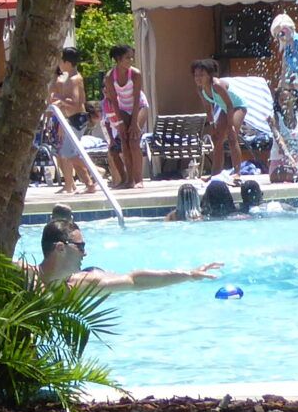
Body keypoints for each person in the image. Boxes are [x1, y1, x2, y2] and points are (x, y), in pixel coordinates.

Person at [35, 219, 221, 293]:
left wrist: (189, 275)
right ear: (60, 248)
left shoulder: (78, 287)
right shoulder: (23, 277)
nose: (85, 252)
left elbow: (134, 280)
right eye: (81, 246)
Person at [99, 44, 148, 188]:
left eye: (132, 57)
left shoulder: (135, 74)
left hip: (139, 106)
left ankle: (139, 180)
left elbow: (137, 97)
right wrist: (120, 122)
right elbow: (113, 101)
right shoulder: (110, 77)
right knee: (124, 141)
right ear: (118, 59)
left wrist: (134, 123)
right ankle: (129, 180)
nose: (131, 60)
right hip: (121, 108)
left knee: (133, 140)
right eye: (127, 57)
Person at [48, 47, 91, 194]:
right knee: (69, 153)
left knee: (69, 153)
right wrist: (59, 103)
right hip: (70, 118)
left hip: (78, 119)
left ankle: (94, 173)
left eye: (60, 60)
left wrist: (59, 99)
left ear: (66, 62)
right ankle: (89, 183)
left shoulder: (74, 79)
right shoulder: (67, 77)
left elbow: (76, 102)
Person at [192, 58, 245, 175]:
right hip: (225, 109)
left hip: (237, 107)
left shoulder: (217, 85)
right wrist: (212, 124)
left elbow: (230, 104)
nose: (198, 78)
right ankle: (215, 174)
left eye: (201, 75)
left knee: (232, 138)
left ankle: (237, 173)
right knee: (216, 139)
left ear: (210, 75)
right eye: (196, 75)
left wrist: (230, 125)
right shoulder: (200, 89)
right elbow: (208, 107)